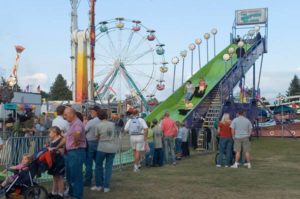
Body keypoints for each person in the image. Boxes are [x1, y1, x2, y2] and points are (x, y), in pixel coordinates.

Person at [91, 109, 118, 193]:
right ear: (106, 115)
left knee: (98, 166)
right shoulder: (113, 124)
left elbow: (97, 137)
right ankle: (106, 186)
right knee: (108, 167)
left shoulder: (98, 126)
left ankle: (99, 185)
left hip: (102, 147)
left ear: (99, 117)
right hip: (112, 147)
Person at [63, 107, 86, 199]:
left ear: (72, 114)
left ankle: (77, 195)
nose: (65, 117)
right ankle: (72, 193)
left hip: (76, 152)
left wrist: (76, 141)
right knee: (70, 175)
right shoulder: (72, 124)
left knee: (76, 175)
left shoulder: (77, 123)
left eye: (66, 114)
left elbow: (78, 133)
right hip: (71, 152)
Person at [84, 105, 101, 187]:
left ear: (96, 112)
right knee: (99, 163)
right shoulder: (102, 121)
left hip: (90, 143)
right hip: (100, 144)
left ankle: (88, 180)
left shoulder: (91, 122)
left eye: (92, 111)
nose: (90, 113)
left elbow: (84, 131)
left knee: (89, 163)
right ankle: (100, 180)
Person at [47, 126, 65, 199]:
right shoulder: (53, 141)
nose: (49, 134)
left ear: (55, 133)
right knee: (55, 177)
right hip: (54, 162)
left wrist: (55, 150)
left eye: (50, 132)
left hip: (60, 162)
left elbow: (62, 151)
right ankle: (54, 192)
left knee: (60, 177)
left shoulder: (60, 140)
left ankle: (60, 194)